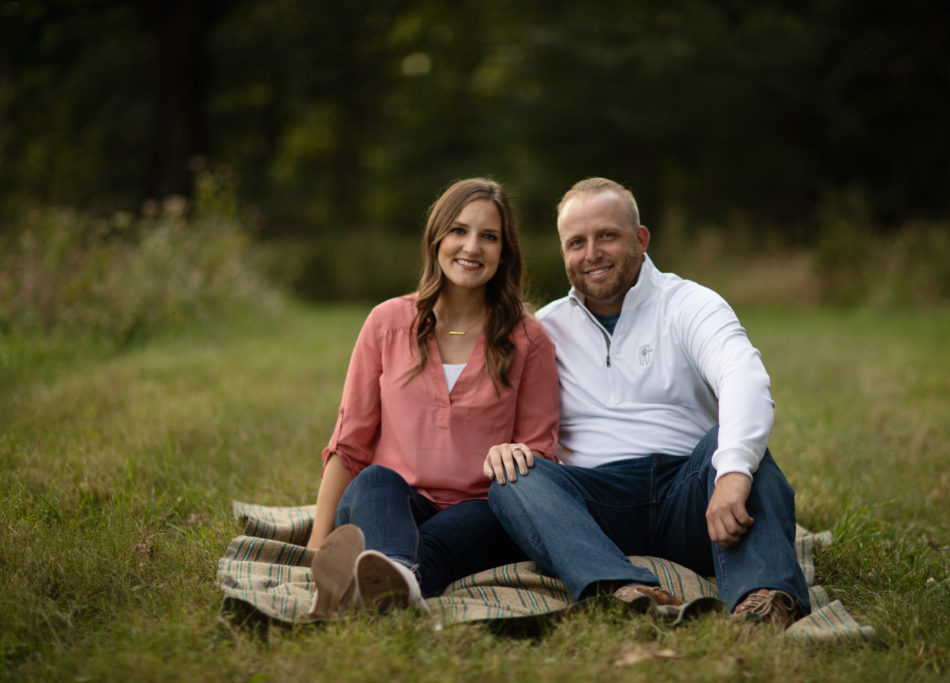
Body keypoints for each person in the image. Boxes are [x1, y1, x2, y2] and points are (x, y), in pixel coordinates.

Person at [487, 177, 811, 627]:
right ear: (563, 253)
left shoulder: (690, 304)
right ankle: (617, 587)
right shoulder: (545, 330)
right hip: (598, 505)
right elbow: (494, 406)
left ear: (640, 239)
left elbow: (743, 376)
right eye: (576, 242)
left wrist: (732, 474)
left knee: (740, 450)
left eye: (607, 236)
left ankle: (764, 598)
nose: (591, 253)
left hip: (693, 495)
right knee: (515, 479)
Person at [306, 178, 559, 617]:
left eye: (489, 237)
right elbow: (348, 447)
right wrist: (315, 546)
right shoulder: (386, 322)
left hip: (477, 511)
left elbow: (539, 452)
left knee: (490, 514)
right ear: (437, 237)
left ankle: (381, 581)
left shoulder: (528, 339)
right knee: (375, 480)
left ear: (505, 252)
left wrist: (517, 456)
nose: (472, 247)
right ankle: (399, 578)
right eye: (459, 230)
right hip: (387, 503)